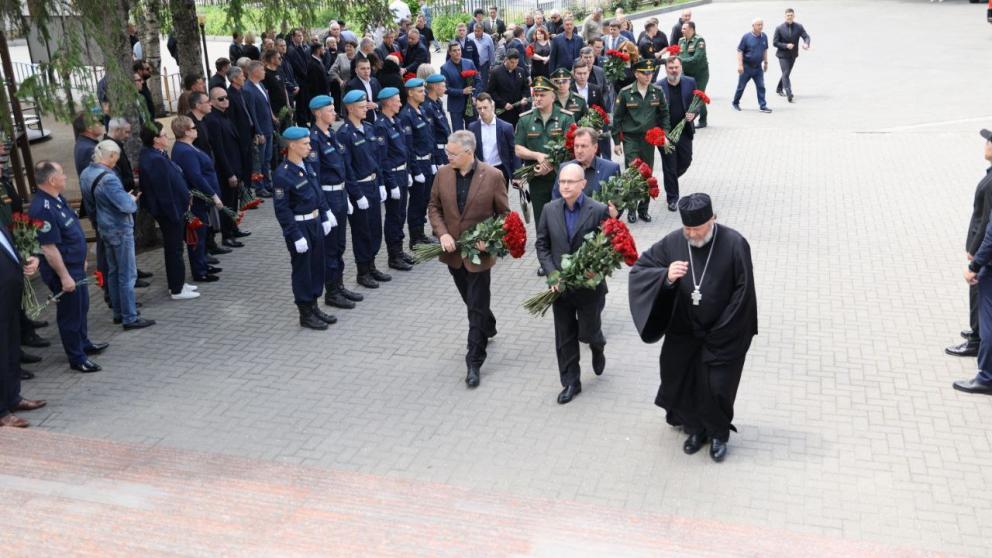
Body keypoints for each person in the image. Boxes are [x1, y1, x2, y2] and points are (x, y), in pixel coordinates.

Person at [628, 193, 758, 462]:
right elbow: (641, 269)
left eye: (698, 229)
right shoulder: (675, 241)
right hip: (684, 331)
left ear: (713, 219)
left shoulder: (734, 243)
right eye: (688, 229)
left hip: (723, 333)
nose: (692, 234)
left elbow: (744, 291)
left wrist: (723, 328)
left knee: (717, 386)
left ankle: (719, 433)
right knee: (681, 379)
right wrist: (665, 276)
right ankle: (695, 429)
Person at [428, 130, 509, 388]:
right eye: (447, 152)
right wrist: (442, 234)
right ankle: (489, 322)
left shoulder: (493, 176)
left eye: (452, 153)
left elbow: (504, 216)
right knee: (472, 300)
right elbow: (434, 208)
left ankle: (474, 360)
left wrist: (491, 238)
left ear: (468, 152)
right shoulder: (442, 174)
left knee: (475, 307)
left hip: (479, 254)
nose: (447, 156)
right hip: (453, 253)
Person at [536, 163, 612, 404]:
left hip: (589, 287)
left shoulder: (598, 210)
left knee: (587, 332)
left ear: (583, 184)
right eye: (562, 182)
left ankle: (597, 345)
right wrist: (552, 274)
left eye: (570, 182)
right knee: (565, 336)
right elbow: (542, 245)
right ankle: (571, 382)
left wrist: (595, 270)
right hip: (561, 288)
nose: (565, 186)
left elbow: (608, 247)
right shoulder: (549, 209)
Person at [29, 161, 107, 373]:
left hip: (74, 265)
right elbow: (49, 248)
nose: (65, 177)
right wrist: (64, 276)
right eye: (62, 174)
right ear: (52, 180)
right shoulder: (42, 208)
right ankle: (77, 357)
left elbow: (69, 232)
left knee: (82, 307)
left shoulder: (57, 199)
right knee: (70, 314)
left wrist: (81, 257)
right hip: (63, 271)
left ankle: (83, 343)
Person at [81, 141, 155, 330]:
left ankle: (118, 312)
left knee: (113, 272)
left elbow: (90, 205)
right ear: (111, 156)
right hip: (119, 229)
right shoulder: (109, 178)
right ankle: (129, 317)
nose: (117, 161)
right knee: (127, 275)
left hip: (104, 228)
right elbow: (126, 206)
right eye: (117, 157)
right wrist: (131, 199)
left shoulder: (86, 173)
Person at [272, 126, 336, 330]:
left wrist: (325, 214)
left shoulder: (307, 165)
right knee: (303, 270)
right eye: (305, 144)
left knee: (317, 266)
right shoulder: (282, 174)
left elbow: (317, 192)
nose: (309, 146)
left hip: (315, 222)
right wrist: (295, 235)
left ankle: (314, 305)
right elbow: (282, 210)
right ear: (292, 145)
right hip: (300, 226)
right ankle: (305, 312)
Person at [308, 95, 364, 310]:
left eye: (333, 109)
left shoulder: (331, 134)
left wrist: (349, 195)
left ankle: (338, 285)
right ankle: (331, 291)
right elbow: (315, 178)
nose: (334, 113)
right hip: (328, 196)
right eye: (329, 110)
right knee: (330, 248)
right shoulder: (314, 139)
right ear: (318, 113)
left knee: (340, 245)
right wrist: (324, 210)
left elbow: (344, 166)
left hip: (340, 194)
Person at [515, 75, 575, 262]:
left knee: (564, 217)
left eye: (542, 94)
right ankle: (546, 259)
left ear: (553, 97)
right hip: (537, 178)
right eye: (536, 94)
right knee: (542, 219)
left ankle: (565, 255)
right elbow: (518, 148)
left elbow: (571, 146)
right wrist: (538, 156)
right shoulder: (525, 119)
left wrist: (552, 164)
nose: (537, 98)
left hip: (561, 178)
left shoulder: (566, 118)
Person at [138, 122, 199, 301]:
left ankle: (179, 282)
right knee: (174, 249)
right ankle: (177, 288)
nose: (167, 138)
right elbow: (164, 191)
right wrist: (175, 212)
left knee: (176, 248)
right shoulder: (154, 159)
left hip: (174, 210)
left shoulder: (157, 154)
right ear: (156, 139)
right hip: (170, 213)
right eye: (164, 135)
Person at [338, 89, 391, 289]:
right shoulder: (344, 134)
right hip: (359, 187)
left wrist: (381, 184)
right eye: (361, 107)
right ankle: (363, 271)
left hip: (373, 184)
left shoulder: (369, 128)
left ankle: (372, 265)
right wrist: (356, 194)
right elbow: (347, 168)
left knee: (375, 227)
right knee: (362, 231)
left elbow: (377, 160)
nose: (365, 110)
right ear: (350, 109)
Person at [951, 130, 992, 363]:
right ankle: (976, 333)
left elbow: (986, 220)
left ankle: (977, 339)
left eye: (989, 141)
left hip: (983, 248)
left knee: (978, 290)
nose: (986, 144)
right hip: (981, 246)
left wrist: (974, 250)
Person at [612, 58, 670, 223]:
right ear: (636, 74)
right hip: (631, 138)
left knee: (647, 174)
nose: (648, 76)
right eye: (644, 73)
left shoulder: (657, 91)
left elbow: (664, 114)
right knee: (633, 172)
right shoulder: (625, 92)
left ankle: (643, 209)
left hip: (648, 140)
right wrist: (616, 141)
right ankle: (631, 209)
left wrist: (664, 134)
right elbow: (617, 118)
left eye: (650, 73)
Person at [0, 222, 45, 427]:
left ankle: (13, 398)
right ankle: (2, 412)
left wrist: (24, 260)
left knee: (10, 351)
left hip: (8, 300)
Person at [171, 116, 223, 283]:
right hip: (197, 199)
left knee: (202, 232)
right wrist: (213, 195)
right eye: (193, 127)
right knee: (198, 234)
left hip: (201, 199)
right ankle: (199, 271)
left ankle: (203, 264)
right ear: (186, 131)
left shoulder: (188, 147)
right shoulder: (184, 151)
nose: (196, 129)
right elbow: (196, 177)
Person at [374, 87, 416, 272]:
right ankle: (393, 255)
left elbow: (403, 151)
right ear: (388, 103)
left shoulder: (395, 121)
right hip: (393, 175)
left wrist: (407, 173)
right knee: (393, 217)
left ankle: (399, 250)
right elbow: (383, 159)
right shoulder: (381, 126)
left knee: (400, 215)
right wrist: (390, 183)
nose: (400, 103)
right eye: (397, 100)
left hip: (401, 173)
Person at [204, 86, 250, 247]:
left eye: (226, 98)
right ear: (212, 102)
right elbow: (219, 149)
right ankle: (227, 235)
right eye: (220, 99)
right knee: (227, 202)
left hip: (235, 164)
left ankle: (233, 227)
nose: (225, 101)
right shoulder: (213, 120)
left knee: (233, 201)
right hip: (226, 169)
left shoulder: (225, 116)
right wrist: (230, 173)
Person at [398, 78, 437, 250]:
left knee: (424, 201)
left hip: (427, 162)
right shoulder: (406, 115)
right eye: (420, 91)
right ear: (410, 93)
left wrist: (433, 160)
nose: (424, 93)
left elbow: (428, 138)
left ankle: (420, 234)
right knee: (416, 203)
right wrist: (415, 170)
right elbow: (409, 146)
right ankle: (414, 239)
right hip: (418, 165)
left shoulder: (420, 110)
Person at [656, 57, 697, 212]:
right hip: (666, 135)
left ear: (681, 67)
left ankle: (671, 180)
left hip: (684, 132)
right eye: (671, 67)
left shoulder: (690, 82)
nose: (674, 70)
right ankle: (672, 198)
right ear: (666, 69)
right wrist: (660, 134)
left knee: (686, 160)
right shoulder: (658, 86)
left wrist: (694, 114)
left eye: (676, 67)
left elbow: (697, 103)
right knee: (669, 166)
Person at [552, 127, 620, 204]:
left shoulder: (610, 169)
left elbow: (618, 203)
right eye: (576, 146)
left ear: (595, 147)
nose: (579, 151)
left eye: (583, 146)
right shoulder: (564, 168)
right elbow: (556, 200)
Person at [469, 93, 517, 188]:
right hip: (480, 170)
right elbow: (470, 151)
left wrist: (517, 175)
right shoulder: (473, 127)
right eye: (479, 108)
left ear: (492, 106)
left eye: (485, 107)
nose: (482, 111)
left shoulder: (506, 127)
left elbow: (514, 151)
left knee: (500, 201)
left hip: (500, 170)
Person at [244, 61, 277, 194]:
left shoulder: (261, 85)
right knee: (260, 160)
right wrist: (258, 132)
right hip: (261, 130)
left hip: (268, 127)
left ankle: (267, 184)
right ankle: (259, 187)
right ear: (255, 72)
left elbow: (266, 104)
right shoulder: (248, 89)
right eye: (262, 70)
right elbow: (252, 113)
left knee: (267, 158)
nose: (264, 72)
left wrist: (273, 116)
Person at [733, 18, 772, 113]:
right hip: (746, 67)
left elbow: (765, 50)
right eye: (758, 25)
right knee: (741, 86)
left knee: (761, 86)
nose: (760, 26)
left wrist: (766, 62)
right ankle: (735, 102)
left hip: (758, 68)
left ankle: (763, 106)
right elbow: (740, 51)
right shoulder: (746, 37)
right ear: (753, 26)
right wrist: (740, 65)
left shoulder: (764, 37)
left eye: (761, 24)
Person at [441, 42, 482, 131]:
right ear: (450, 52)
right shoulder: (445, 68)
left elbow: (478, 81)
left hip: (471, 104)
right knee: (458, 134)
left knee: (472, 132)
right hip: (455, 106)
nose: (457, 52)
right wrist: (462, 91)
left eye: (459, 50)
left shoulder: (469, 63)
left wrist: (475, 96)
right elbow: (445, 89)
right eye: (454, 51)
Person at [773, 8, 811, 103]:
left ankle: (779, 88)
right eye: (788, 15)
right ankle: (789, 92)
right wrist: (786, 45)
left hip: (793, 55)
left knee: (786, 73)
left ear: (794, 16)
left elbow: (806, 36)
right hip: (782, 55)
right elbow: (775, 42)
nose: (789, 17)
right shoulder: (779, 28)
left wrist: (806, 43)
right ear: (785, 16)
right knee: (786, 72)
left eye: (791, 15)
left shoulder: (799, 27)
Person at [486, 50, 529, 128]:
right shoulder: (496, 72)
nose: (514, 65)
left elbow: (525, 87)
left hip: (518, 110)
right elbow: (491, 91)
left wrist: (524, 97)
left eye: (516, 62)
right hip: (503, 111)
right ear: (506, 60)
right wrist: (503, 103)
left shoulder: (521, 71)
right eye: (512, 62)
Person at [678, 21, 709, 128]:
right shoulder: (681, 40)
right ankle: (690, 117)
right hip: (686, 73)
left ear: (691, 29)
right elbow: (679, 54)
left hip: (700, 74)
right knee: (689, 96)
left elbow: (697, 58)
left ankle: (702, 119)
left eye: (684, 29)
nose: (682, 31)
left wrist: (680, 60)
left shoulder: (699, 41)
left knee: (699, 95)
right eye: (682, 28)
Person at [345, 57, 382, 123]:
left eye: (368, 68)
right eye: (363, 69)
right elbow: (348, 108)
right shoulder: (351, 85)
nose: (366, 71)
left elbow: (382, 99)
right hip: (363, 122)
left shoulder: (375, 81)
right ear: (356, 70)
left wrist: (376, 105)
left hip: (378, 120)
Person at [468, 22, 496, 89]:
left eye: (478, 31)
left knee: (483, 83)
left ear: (482, 31)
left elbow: (491, 52)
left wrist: (492, 64)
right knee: (473, 83)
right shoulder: (469, 37)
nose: (476, 33)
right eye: (475, 31)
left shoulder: (488, 38)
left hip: (484, 65)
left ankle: (483, 97)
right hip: (472, 65)